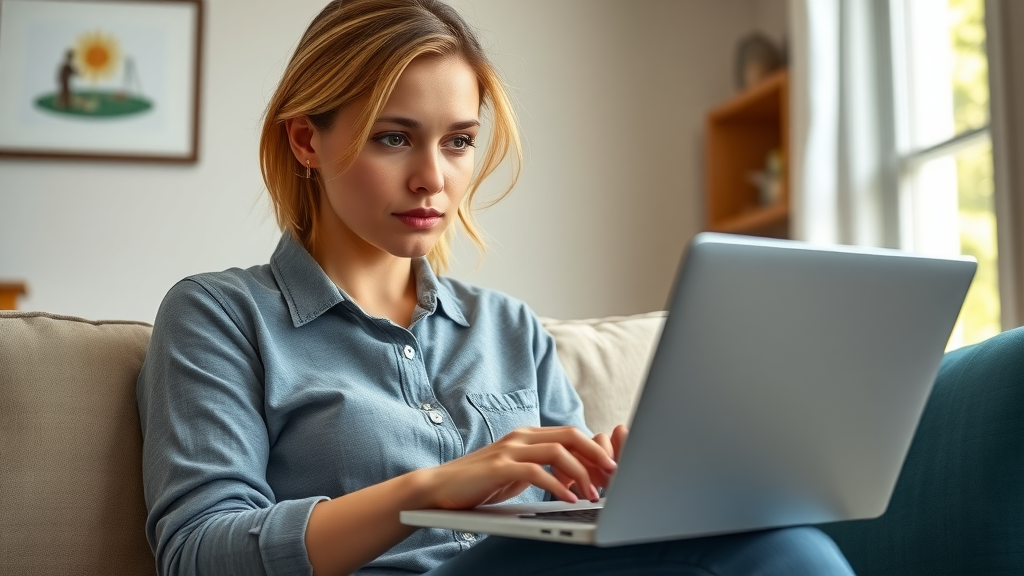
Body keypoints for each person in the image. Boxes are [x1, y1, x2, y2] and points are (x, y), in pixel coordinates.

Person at [136, 1, 857, 575]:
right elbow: (200, 553)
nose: (434, 177)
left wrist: (625, 484)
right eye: (394, 137)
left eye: (457, 141)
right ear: (305, 142)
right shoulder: (220, 315)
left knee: (770, 535)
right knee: (780, 555)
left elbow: (577, 524)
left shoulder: (509, 328)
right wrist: (430, 489)